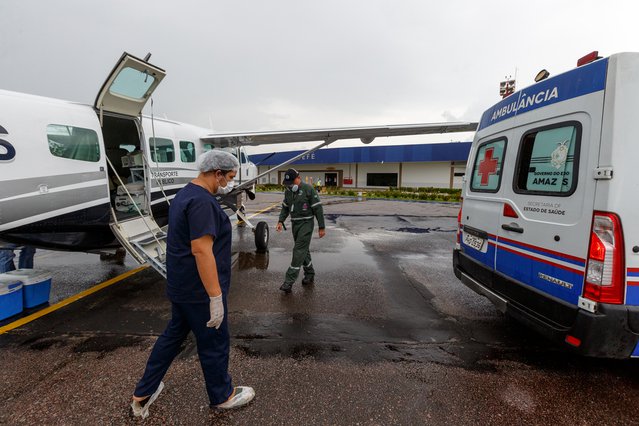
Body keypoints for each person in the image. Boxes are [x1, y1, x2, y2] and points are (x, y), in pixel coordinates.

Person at [130, 150, 255, 419]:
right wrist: (215, 297)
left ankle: (144, 391)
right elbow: (201, 250)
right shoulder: (202, 202)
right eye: (229, 177)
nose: (230, 183)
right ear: (217, 172)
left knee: (172, 338)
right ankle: (223, 396)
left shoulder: (184, 195)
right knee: (214, 343)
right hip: (200, 292)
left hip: (182, 287)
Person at [276, 168, 326, 293]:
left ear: (298, 178)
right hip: (295, 224)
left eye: (292, 182)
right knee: (303, 250)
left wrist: (321, 227)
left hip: (306, 224)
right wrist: (280, 221)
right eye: (288, 183)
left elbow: (318, 209)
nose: (290, 185)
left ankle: (289, 281)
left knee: (298, 250)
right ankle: (310, 273)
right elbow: (285, 207)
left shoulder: (308, 189)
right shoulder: (288, 191)